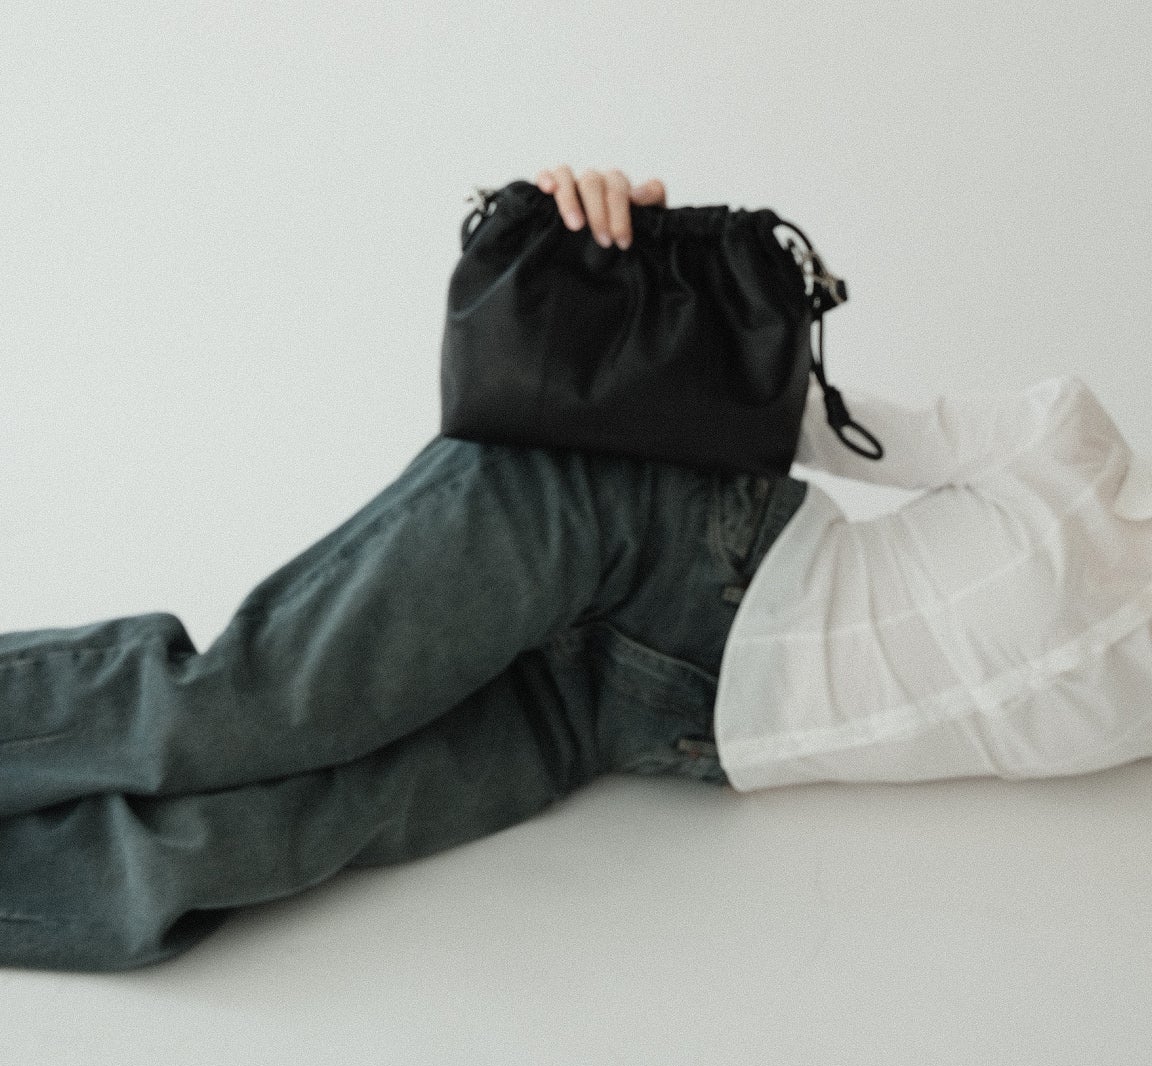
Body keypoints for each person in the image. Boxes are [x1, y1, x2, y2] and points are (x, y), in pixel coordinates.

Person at [1, 166, 1150, 974]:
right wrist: (622, 264)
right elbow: (784, 413)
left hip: (663, 723)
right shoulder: (1070, 443)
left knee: (251, 841)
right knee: (240, 709)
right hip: (644, 522)